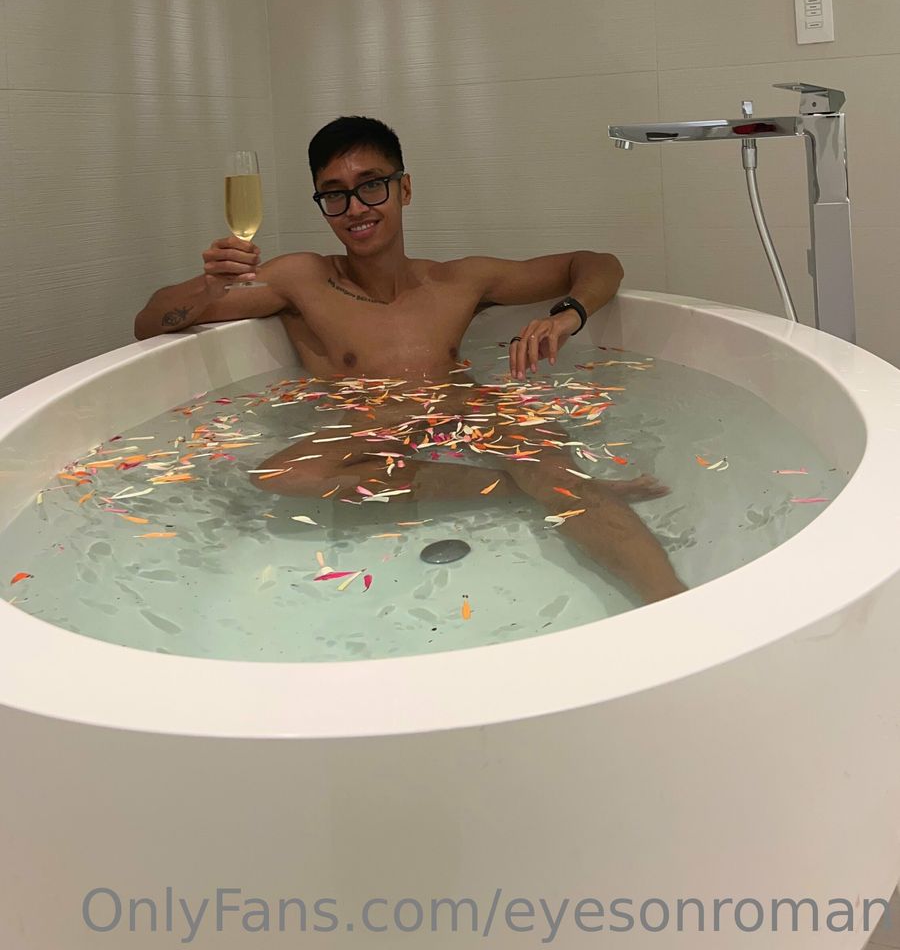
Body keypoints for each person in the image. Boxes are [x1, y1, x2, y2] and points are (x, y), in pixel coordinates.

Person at [135, 116, 685, 603]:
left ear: (404, 188)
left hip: (470, 411)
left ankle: (673, 604)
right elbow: (149, 324)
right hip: (370, 429)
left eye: (371, 186)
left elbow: (597, 263)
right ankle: (515, 490)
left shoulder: (456, 281)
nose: (355, 209)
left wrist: (567, 316)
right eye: (334, 195)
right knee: (282, 473)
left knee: (563, 482)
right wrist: (209, 289)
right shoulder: (304, 278)